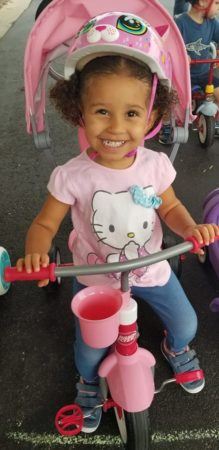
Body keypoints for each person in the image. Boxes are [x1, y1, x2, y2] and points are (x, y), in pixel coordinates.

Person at [17, 12, 219, 433]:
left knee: (187, 324)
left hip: (151, 268)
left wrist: (188, 229)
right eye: (102, 111)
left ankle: (173, 347)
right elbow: (44, 223)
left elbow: (171, 208)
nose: (116, 127)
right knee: (90, 349)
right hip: (96, 277)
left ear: (151, 116)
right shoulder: (73, 175)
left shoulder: (155, 165)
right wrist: (36, 251)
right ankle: (88, 382)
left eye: (131, 113)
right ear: (78, 112)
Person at [159, 0, 219, 143]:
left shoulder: (212, 23)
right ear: (203, 2)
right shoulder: (180, 23)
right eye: (216, 3)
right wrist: (180, 55)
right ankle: (166, 125)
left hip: (205, 74)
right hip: (182, 76)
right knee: (168, 98)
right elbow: (166, 46)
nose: (218, 8)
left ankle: (215, 122)